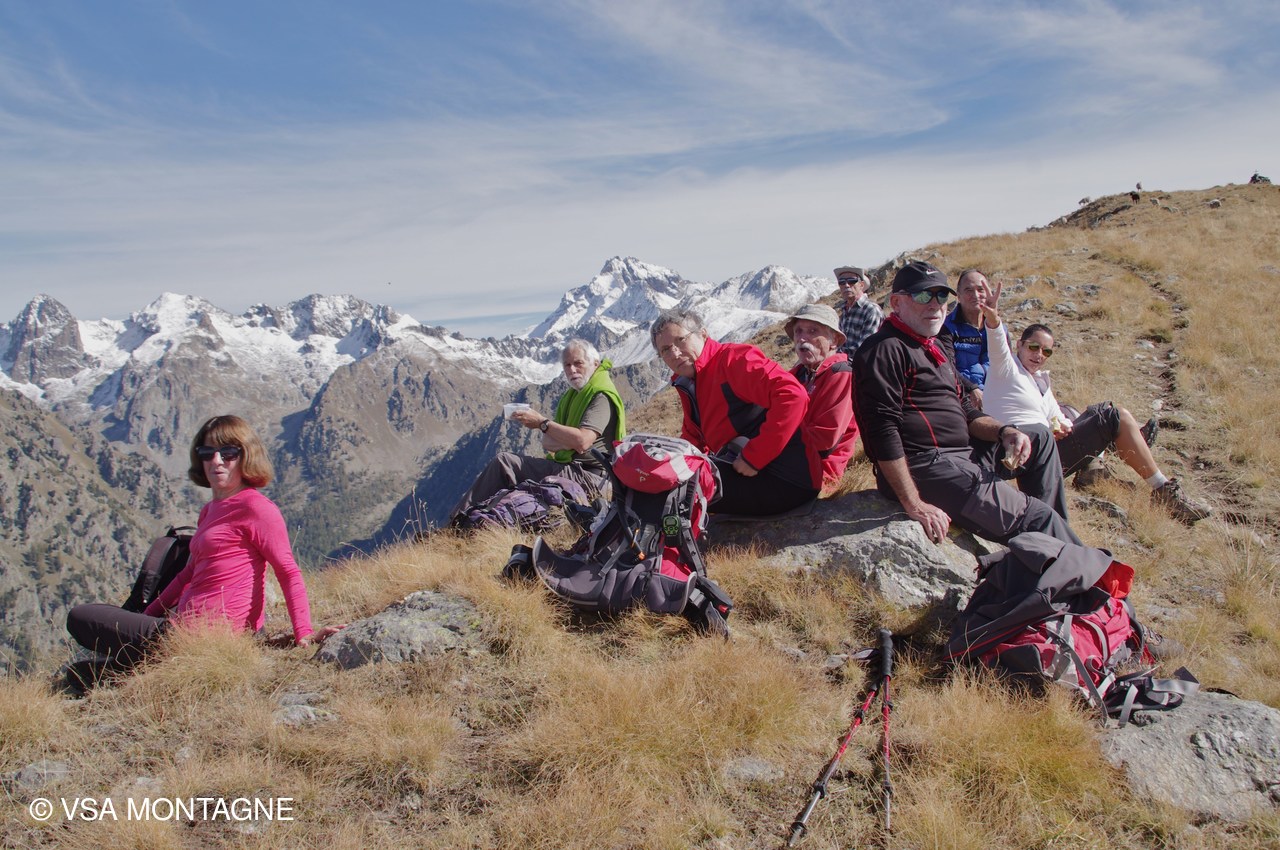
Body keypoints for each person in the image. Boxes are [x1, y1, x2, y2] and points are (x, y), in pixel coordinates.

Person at [66, 415, 340, 676]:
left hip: (210, 633)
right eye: (207, 453)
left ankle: (154, 658)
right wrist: (145, 616)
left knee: (80, 616)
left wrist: (304, 633)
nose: (216, 461)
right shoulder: (209, 511)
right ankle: (151, 665)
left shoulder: (257, 508)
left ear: (246, 456)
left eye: (228, 453)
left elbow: (287, 571)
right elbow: (188, 573)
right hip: (183, 627)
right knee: (79, 674)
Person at [850, 261, 1082, 546]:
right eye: (923, 295)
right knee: (1039, 519)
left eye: (941, 296)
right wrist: (914, 503)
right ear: (896, 302)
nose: (935, 304)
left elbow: (966, 409)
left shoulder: (933, 346)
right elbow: (881, 431)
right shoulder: (884, 349)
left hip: (963, 454)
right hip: (928, 466)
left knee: (1040, 437)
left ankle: (1047, 545)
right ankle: (1056, 544)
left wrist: (1005, 432)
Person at [980, 305, 1211, 523]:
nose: (1039, 355)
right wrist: (993, 318)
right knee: (1110, 417)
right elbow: (998, 343)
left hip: (1045, 452)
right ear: (1019, 345)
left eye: (1046, 351)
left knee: (1106, 413)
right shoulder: (1006, 369)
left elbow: (1057, 417)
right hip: (1018, 454)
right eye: (1033, 347)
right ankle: (1153, 482)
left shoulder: (1040, 382)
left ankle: (1139, 476)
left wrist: (1063, 425)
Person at [651, 309, 821, 515]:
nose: (675, 354)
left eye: (681, 340)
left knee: (672, 494)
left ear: (703, 334)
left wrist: (755, 457)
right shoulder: (689, 381)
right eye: (666, 349)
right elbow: (693, 438)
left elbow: (793, 396)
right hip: (748, 470)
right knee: (658, 483)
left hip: (787, 479)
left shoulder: (733, 360)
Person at [449, 338, 626, 522]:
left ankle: (454, 524)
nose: (572, 370)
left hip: (591, 477)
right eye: (567, 365)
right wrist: (567, 439)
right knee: (507, 466)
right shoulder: (574, 395)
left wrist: (542, 423)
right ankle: (471, 520)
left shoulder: (600, 395)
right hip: (572, 468)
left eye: (578, 363)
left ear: (595, 363)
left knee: (505, 463)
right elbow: (547, 442)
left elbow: (582, 442)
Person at [784, 303, 859, 497]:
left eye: (813, 331)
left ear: (834, 341)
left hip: (817, 475)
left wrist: (771, 444)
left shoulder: (841, 375)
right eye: (798, 331)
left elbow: (824, 441)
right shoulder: (797, 374)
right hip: (789, 463)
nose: (802, 338)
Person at [941, 269, 992, 407]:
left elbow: (1007, 365)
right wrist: (971, 388)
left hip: (997, 396)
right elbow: (946, 367)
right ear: (958, 295)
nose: (976, 295)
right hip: (962, 398)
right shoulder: (945, 328)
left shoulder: (998, 329)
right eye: (968, 290)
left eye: (981, 289)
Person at [835, 266, 884, 357]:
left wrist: (834, 354)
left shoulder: (871, 310)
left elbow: (866, 348)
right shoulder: (845, 310)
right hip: (843, 362)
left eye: (852, 281)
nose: (846, 285)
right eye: (841, 282)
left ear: (861, 285)